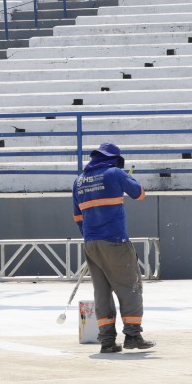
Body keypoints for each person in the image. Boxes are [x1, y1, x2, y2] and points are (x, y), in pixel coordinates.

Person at [72, 142, 155, 353]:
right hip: (115, 240)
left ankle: (107, 341)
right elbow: (139, 193)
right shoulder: (115, 173)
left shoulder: (79, 181)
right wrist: (127, 178)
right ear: (115, 159)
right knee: (130, 287)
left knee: (102, 292)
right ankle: (133, 335)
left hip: (91, 243)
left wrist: (92, 238)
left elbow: (78, 217)